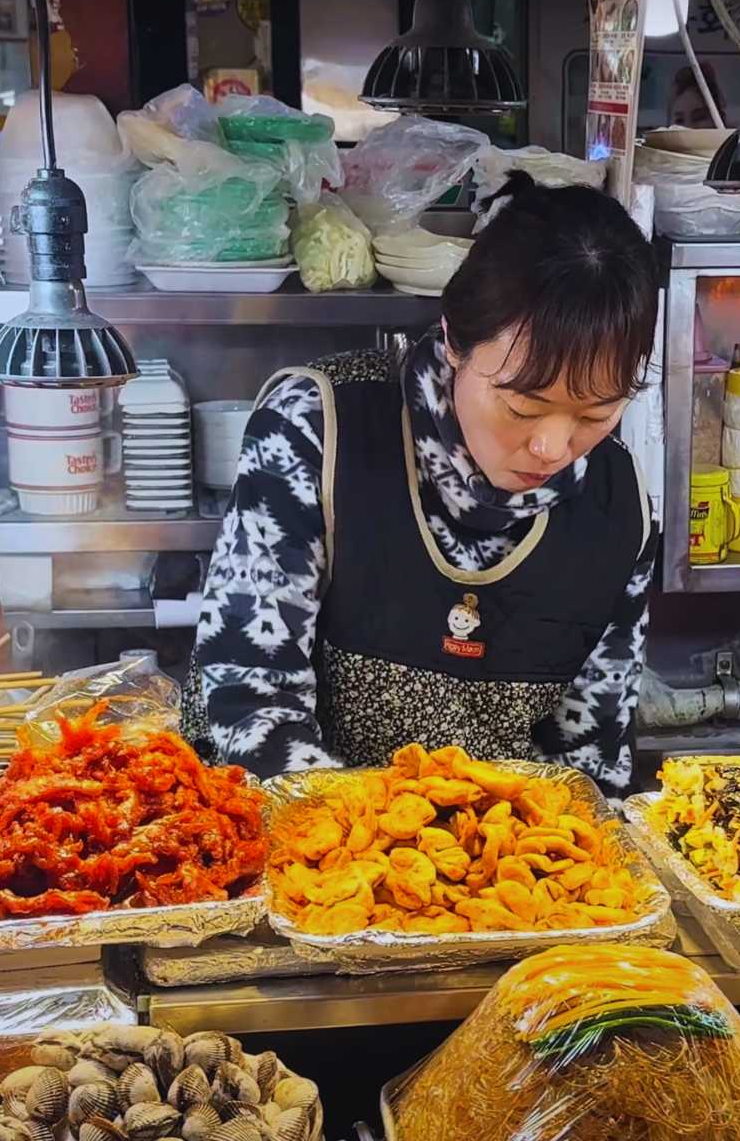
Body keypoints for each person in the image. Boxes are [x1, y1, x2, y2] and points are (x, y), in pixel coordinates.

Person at [184, 172, 660, 792]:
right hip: (307, 847)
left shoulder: (617, 506)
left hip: (495, 868)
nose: (552, 447)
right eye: (522, 407)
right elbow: (252, 697)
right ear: (454, 342)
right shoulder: (317, 428)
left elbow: (591, 764)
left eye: (596, 413)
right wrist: (378, 860)